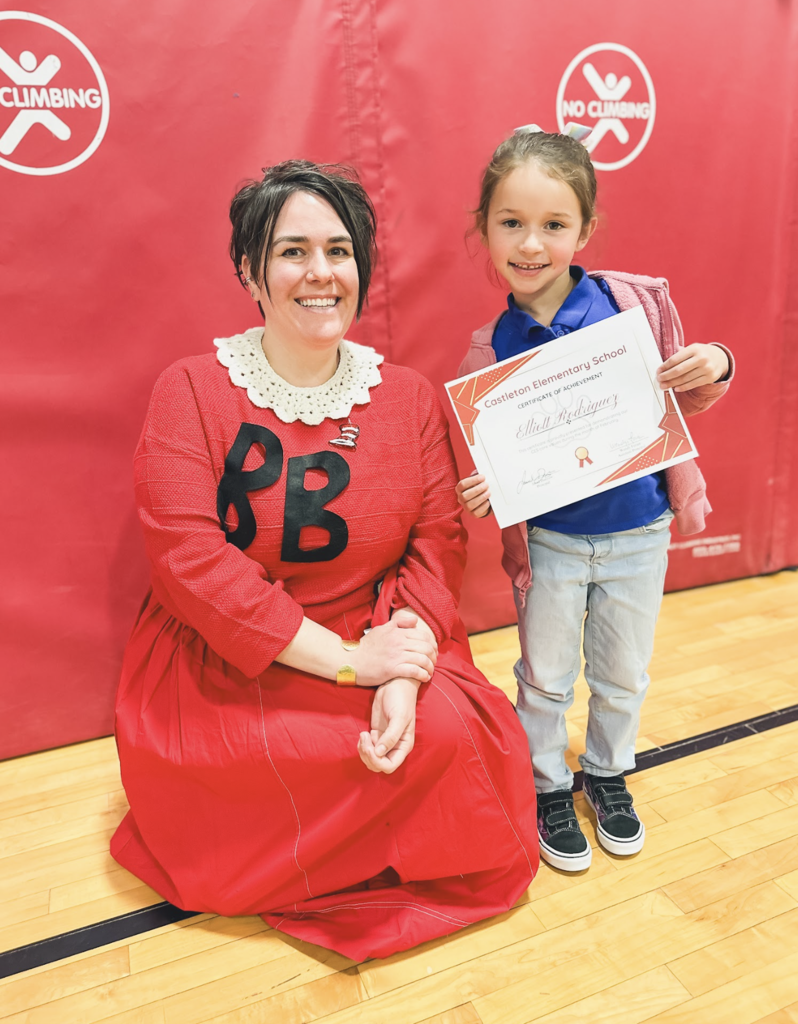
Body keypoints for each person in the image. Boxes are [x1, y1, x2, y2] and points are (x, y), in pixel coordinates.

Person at [111, 160, 538, 960]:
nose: (321, 273)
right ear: (250, 269)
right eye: (292, 251)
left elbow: (436, 543)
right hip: (230, 648)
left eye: (339, 251)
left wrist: (404, 671)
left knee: (451, 735)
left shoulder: (409, 396)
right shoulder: (191, 389)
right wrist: (349, 666)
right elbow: (189, 561)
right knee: (277, 756)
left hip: (382, 627)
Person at [455, 127, 733, 872]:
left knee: (623, 674)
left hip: (640, 531)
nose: (531, 242)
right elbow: (493, 467)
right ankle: (548, 784)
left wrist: (718, 360)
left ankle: (608, 774)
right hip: (550, 544)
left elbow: (693, 394)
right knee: (543, 676)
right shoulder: (488, 350)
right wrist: (487, 489)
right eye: (511, 222)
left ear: (585, 229)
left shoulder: (632, 305)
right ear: (484, 228)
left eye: (553, 224)